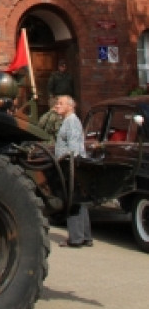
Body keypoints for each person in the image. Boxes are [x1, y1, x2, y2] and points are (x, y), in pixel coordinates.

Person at [53, 94, 93, 248]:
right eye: (57, 103)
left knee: (72, 200)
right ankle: (85, 236)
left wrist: (68, 164)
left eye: (61, 103)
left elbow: (74, 148)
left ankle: (76, 238)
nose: (57, 105)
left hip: (72, 166)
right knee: (79, 201)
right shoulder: (68, 121)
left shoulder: (72, 122)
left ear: (70, 106)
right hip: (72, 166)